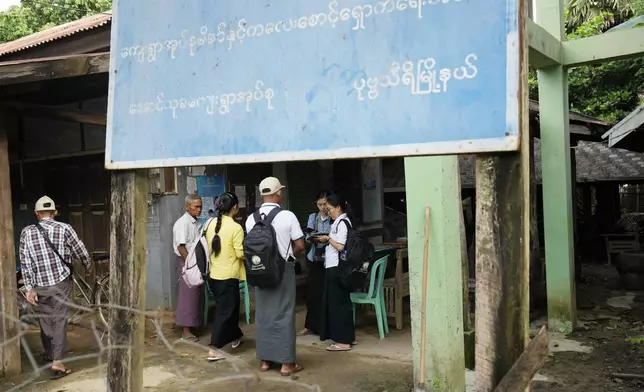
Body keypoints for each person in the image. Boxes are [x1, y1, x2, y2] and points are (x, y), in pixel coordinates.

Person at [19, 196, 91, 380]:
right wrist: (87, 264)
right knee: (59, 320)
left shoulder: (26, 232)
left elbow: (25, 262)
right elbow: (80, 251)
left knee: (46, 321)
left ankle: (52, 354)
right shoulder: (65, 228)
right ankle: (57, 361)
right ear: (55, 212)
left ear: (37, 214)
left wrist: (29, 288)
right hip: (60, 282)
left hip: (39, 284)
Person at [245, 177, 305, 376]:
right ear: (279, 193)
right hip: (283, 270)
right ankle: (287, 363)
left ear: (262, 195)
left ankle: (264, 360)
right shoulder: (287, 216)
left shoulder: (251, 218)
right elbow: (300, 246)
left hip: (259, 270)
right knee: (285, 313)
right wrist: (288, 258)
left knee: (263, 314)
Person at [204, 192, 245, 361]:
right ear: (234, 207)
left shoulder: (209, 223)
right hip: (229, 276)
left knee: (231, 308)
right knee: (225, 311)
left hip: (214, 275)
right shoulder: (236, 227)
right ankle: (214, 347)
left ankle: (236, 335)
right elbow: (240, 253)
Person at [317, 193, 356, 352]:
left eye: (331, 209)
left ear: (339, 208)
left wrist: (327, 239)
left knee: (337, 304)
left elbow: (340, 246)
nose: (329, 212)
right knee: (343, 303)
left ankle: (342, 341)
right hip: (335, 266)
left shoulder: (342, 223)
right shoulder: (341, 222)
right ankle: (347, 337)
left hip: (337, 267)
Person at [297, 191, 332, 337]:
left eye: (325, 204)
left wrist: (326, 238)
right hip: (314, 258)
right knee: (312, 294)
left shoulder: (333, 217)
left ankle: (325, 327)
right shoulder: (313, 217)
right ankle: (309, 325)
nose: (323, 207)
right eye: (320, 204)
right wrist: (313, 238)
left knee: (326, 293)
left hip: (328, 260)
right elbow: (308, 235)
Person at [172, 194, 204, 341]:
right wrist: (189, 264)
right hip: (186, 262)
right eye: (196, 206)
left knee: (196, 293)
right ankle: (185, 331)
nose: (199, 209)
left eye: (200, 206)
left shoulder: (195, 223)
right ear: (187, 207)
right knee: (187, 295)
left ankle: (193, 325)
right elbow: (181, 247)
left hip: (194, 261)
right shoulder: (182, 223)